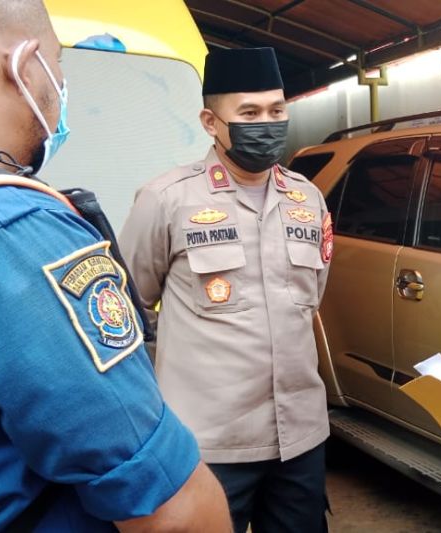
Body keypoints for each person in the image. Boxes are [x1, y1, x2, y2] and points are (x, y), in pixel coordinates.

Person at [0, 1, 231, 530]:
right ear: (25, 66)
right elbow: (164, 505)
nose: (60, 88)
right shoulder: (22, 232)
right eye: (59, 65)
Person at [119, 47, 332, 533]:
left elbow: (311, 295)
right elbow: (129, 307)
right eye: (250, 113)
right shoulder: (168, 199)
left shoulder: (308, 197)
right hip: (208, 441)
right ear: (211, 122)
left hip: (300, 436)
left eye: (277, 111)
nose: (268, 123)